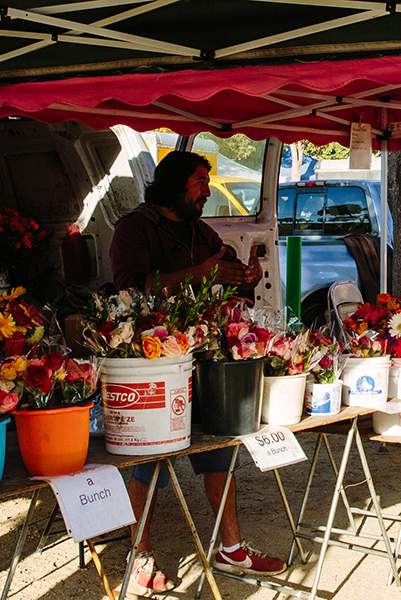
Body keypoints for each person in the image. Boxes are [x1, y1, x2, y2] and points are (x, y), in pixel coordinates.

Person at [110, 151, 284, 596]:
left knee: (218, 447)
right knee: (145, 459)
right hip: (150, 363)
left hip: (199, 357)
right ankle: (140, 557)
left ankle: (231, 549)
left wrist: (246, 274)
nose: (207, 190)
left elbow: (230, 278)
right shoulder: (135, 228)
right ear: (173, 184)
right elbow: (130, 288)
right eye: (200, 182)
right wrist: (200, 272)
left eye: (207, 182)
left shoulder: (201, 231)